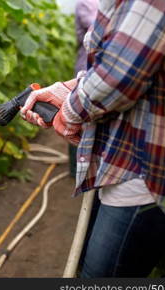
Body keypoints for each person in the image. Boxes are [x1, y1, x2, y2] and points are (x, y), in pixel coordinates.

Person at [20, 0, 165, 277]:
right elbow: (141, 52)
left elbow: (122, 71)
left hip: (148, 160)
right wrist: (69, 88)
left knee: (102, 276)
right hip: (142, 146)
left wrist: (70, 112)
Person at [69, 0, 99, 178]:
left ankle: (88, 168)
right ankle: (75, 170)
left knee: (90, 120)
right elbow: (97, 28)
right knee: (77, 119)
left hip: (98, 73)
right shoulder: (86, 3)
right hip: (85, 69)